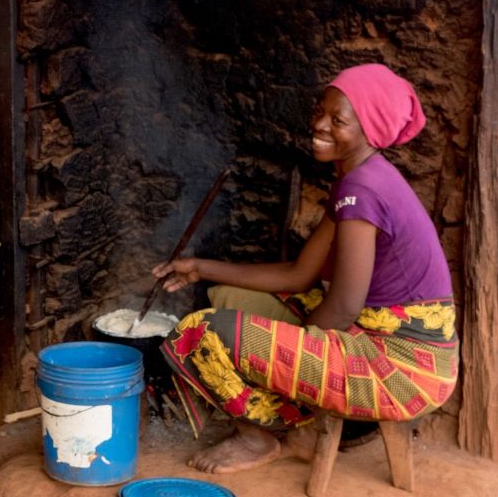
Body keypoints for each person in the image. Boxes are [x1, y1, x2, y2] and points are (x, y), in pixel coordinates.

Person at [152, 63, 458, 474]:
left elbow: (345, 306)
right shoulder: (359, 179)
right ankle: (287, 419)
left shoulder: (363, 191)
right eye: (320, 111)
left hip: (402, 369)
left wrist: (291, 352)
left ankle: (259, 437)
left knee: (200, 332)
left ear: (370, 130)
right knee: (226, 297)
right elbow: (299, 274)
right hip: (382, 337)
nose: (319, 125)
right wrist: (200, 268)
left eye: (338, 120)